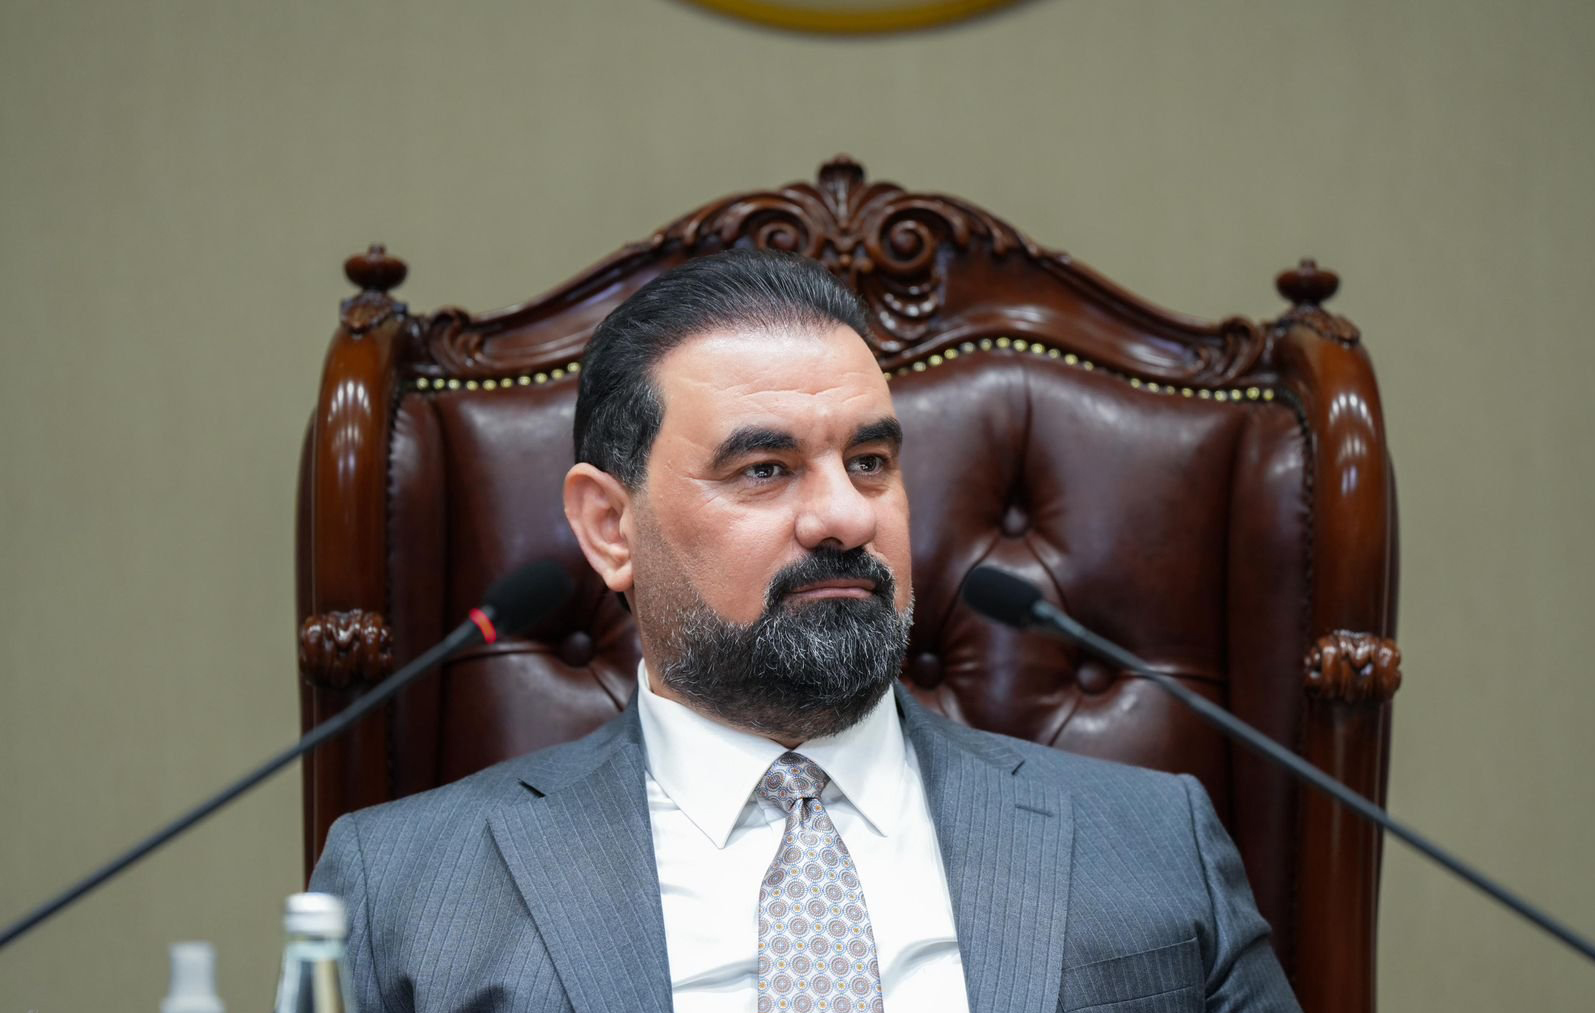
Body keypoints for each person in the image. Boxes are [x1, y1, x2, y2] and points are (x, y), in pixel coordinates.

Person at [310, 249, 1300, 1012]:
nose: (844, 517)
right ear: (610, 527)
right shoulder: (402, 889)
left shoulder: (1154, 840)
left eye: (869, 462)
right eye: (764, 469)